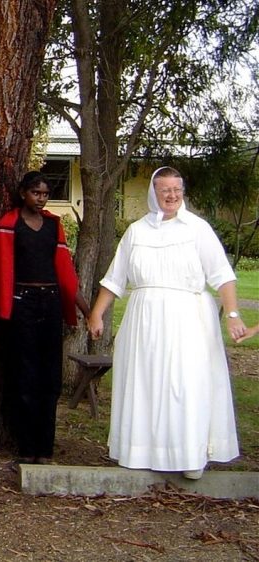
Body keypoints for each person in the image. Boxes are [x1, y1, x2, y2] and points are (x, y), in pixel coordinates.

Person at [88, 166, 240, 479]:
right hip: (144, 320)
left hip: (188, 320)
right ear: (154, 194)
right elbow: (116, 279)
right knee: (144, 382)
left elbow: (222, 276)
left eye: (176, 189)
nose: (171, 196)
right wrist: (96, 313)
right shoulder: (137, 232)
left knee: (184, 385)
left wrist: (234, 314)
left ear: (182, 192)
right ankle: (142, 451)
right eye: (164, 190)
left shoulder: (198, 229)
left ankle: (190, 455)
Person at [0, 171, 89, 465]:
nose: (41, 198)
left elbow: (65, 273)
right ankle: (27, 447)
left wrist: (86, 309)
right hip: (22, 304)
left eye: (45, 193)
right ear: (22, 193)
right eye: (35, 193)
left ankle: (46, 448)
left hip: (51, 303)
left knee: (50, 378)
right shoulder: (9, 226)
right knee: (24, 375)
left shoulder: (53, 226)